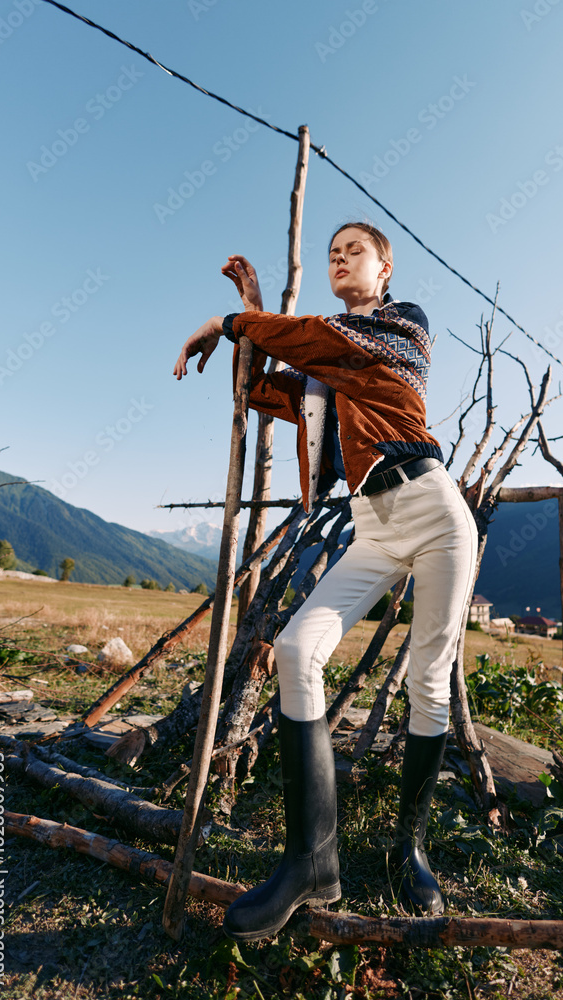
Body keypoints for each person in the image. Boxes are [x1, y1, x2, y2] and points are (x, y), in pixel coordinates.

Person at [173, 222, 478, 942]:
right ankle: (312, 860)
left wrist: (227, 321)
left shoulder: (401, 328)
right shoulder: (318, 375)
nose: (340, 260)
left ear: (384, 268)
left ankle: (409, 849)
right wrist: (246, 320)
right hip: (370, 525)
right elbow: (255, 390)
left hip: (434, 512)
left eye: (355, 252)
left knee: (428, 680)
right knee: (295, 647)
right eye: (332, 253)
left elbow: (316, 339)